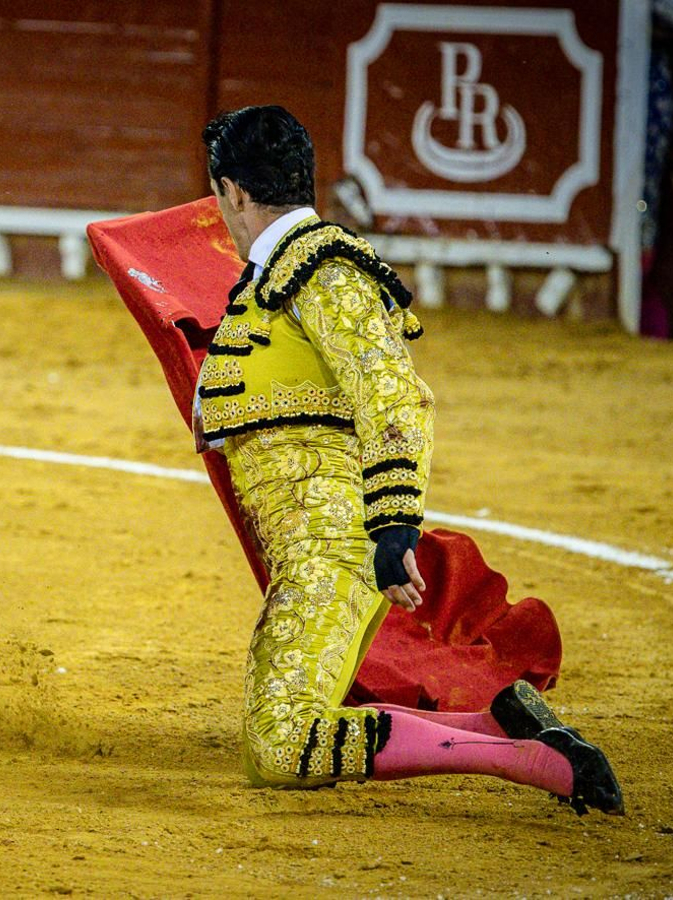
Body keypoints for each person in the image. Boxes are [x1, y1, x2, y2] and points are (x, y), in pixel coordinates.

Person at [194, 105, 623, 814]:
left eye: (219, 196)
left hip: (334, 549)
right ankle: (498, 728)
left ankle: (521, 760)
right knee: (285, 734)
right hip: (311, 551)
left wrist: (395, 527)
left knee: (281, 744)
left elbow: (394, 399)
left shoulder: (324, 272)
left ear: (235, 193)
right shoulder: (282, 277)